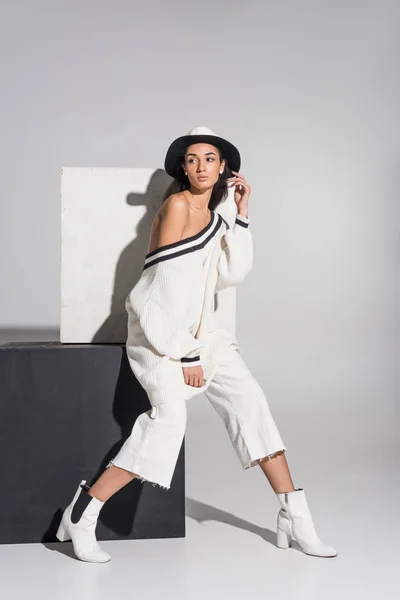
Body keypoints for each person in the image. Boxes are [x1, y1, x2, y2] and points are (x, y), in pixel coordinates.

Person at [56, 126, 338, 562]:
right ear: (183, 168)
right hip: (159, 337)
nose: (201, 166)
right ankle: (83, 512)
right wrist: (184, 352)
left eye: (210, 158)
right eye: (192, 159)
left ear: (224, 166)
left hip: (202, 335)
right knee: (168, 422)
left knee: (251, 405)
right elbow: (160, 291)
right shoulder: (177, 206)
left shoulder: (216, 214)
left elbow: (231, 274)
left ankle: (294, 515)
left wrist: (242, 215)